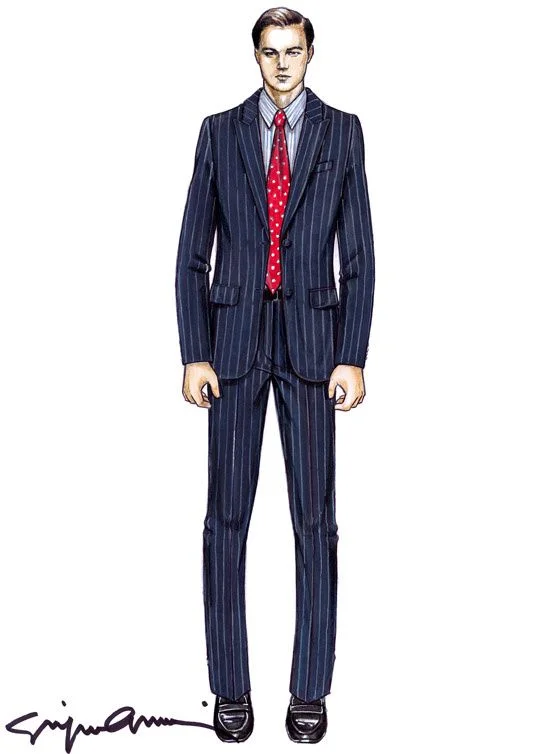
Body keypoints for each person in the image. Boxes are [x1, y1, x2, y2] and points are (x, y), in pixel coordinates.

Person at [175, 6, 375, 743]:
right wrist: (194, 351)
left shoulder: (342, 132)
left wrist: (352, 354)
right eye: (269, 52)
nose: (282, 64)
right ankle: (230, 688)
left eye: (293, 50)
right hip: (231, 346)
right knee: (225, 521)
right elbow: (192, 251)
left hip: (314, 349)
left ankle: (309, 691)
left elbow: (358, 253)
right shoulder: (219, 132)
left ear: (311, 53)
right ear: (255, 57)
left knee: (314, 522)